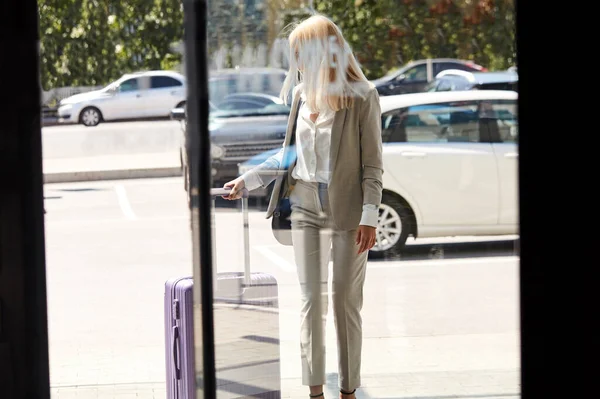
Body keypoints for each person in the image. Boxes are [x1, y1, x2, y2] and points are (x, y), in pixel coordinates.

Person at [222, 14, 383, 399]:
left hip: (348, 209)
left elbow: (373, 165)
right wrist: (248, 180)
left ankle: (347, 391)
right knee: (312, 301)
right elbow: (288, 155)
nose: (295, 62)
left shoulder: (363, 96)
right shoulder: (300, 95)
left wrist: (370, 217)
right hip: (305, 204)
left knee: (344, 301)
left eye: (299, 53)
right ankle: (314, 392)